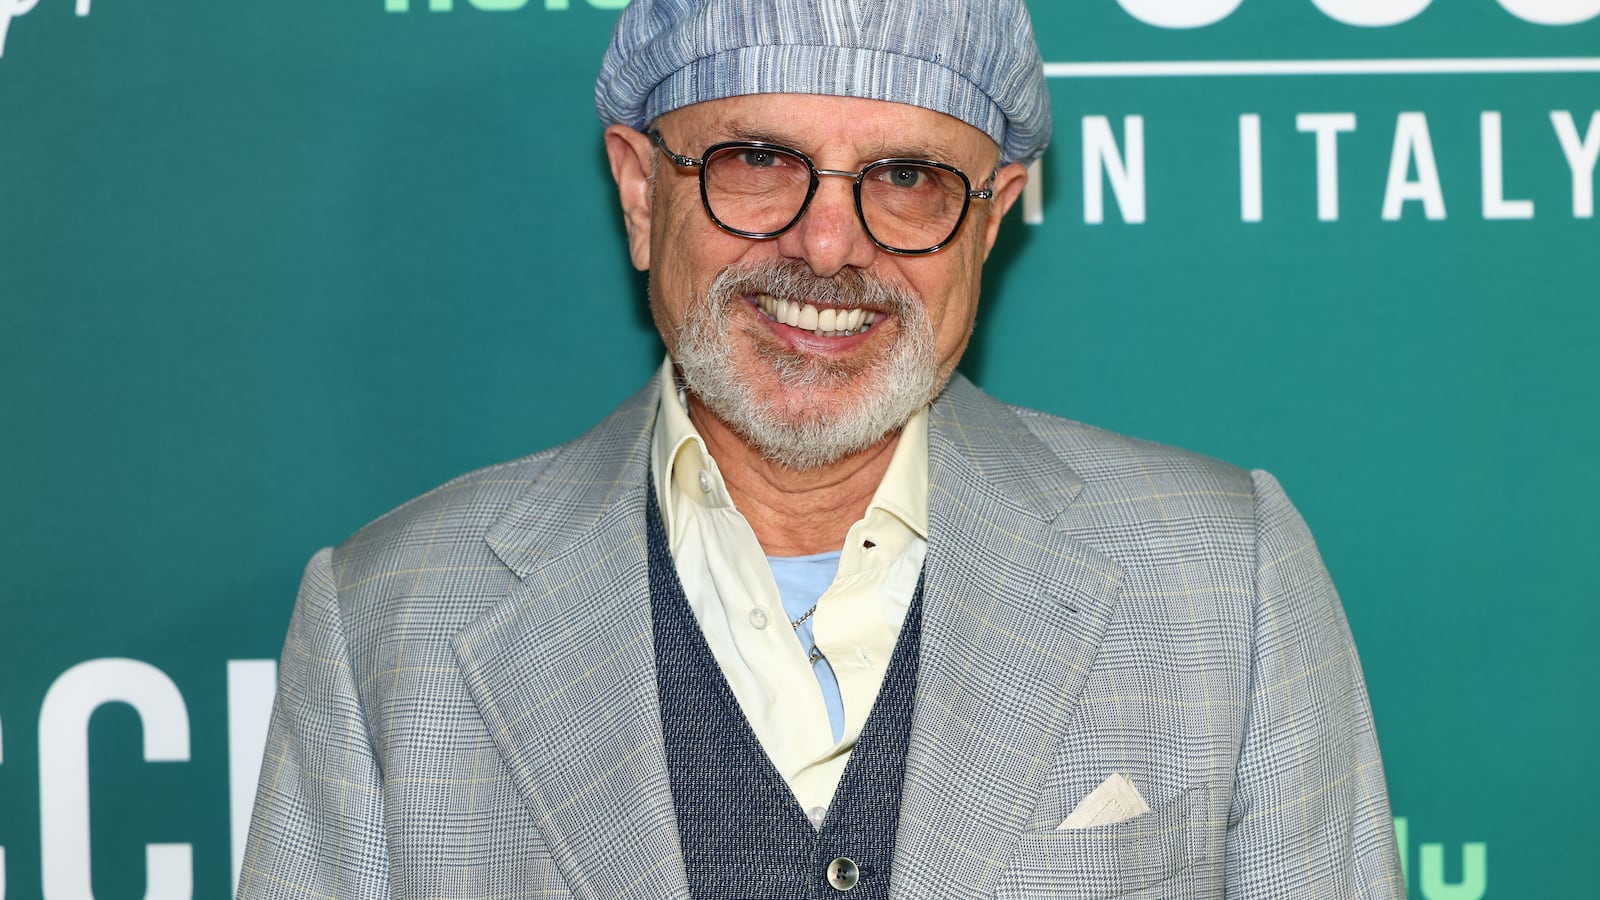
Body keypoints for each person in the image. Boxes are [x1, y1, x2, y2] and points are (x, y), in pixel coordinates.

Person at [238, 2, 1404, 898]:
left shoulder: (1222, 580)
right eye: (758, 161)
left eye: (906, 178)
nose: (829, 243)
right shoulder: (390, 623)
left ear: (989, 220)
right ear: (642, 194)